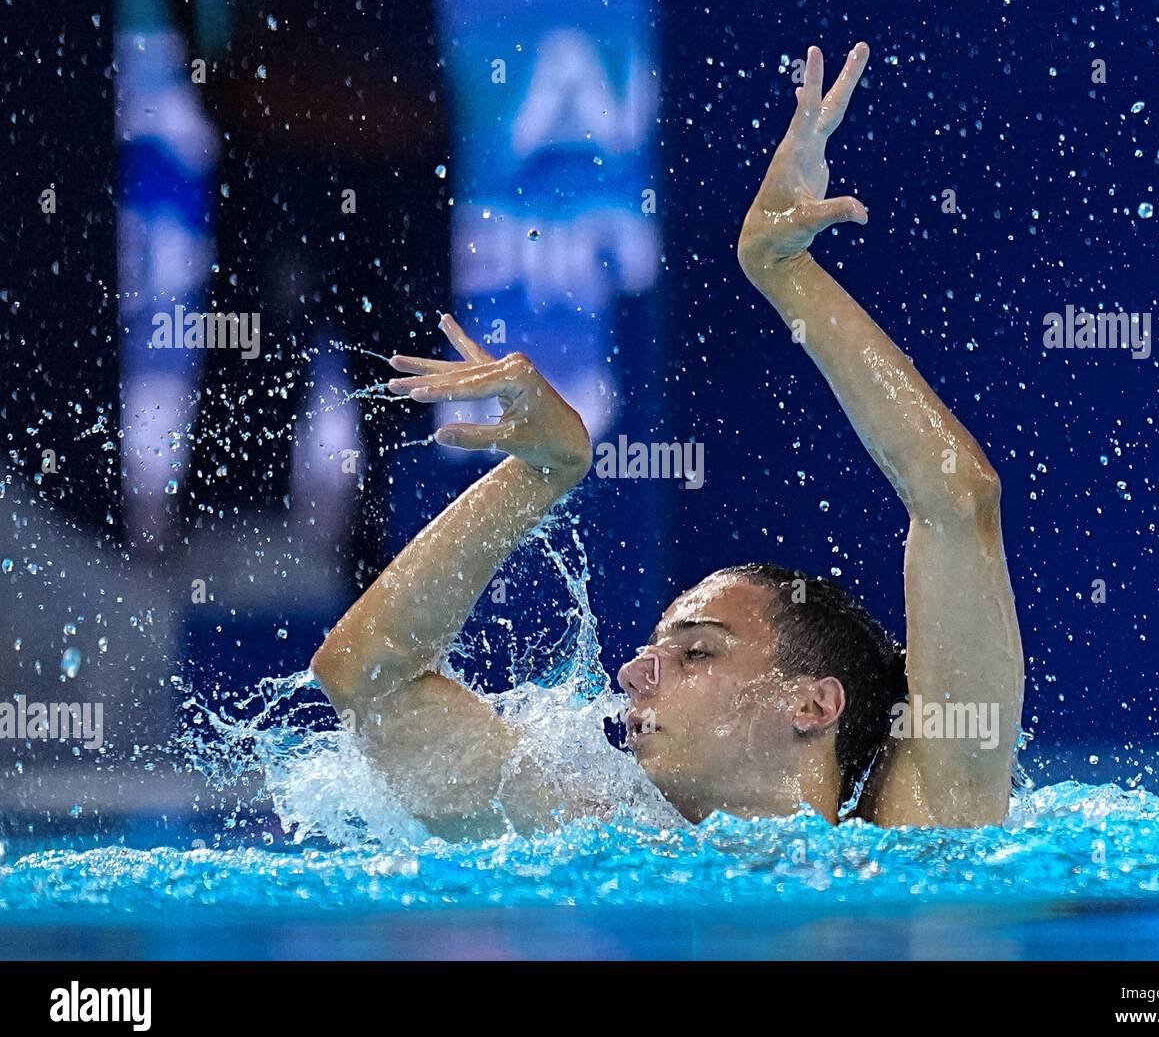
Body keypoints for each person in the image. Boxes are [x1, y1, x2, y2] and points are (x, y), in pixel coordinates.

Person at [311, 42, 1024, 837]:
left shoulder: (929, 821)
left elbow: (958, 500)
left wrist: (785, 274)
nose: (632, 673)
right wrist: (540, 472)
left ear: (813, 703)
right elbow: (367, 680)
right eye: (666, 650)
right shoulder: (586, 832)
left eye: (698, 653)